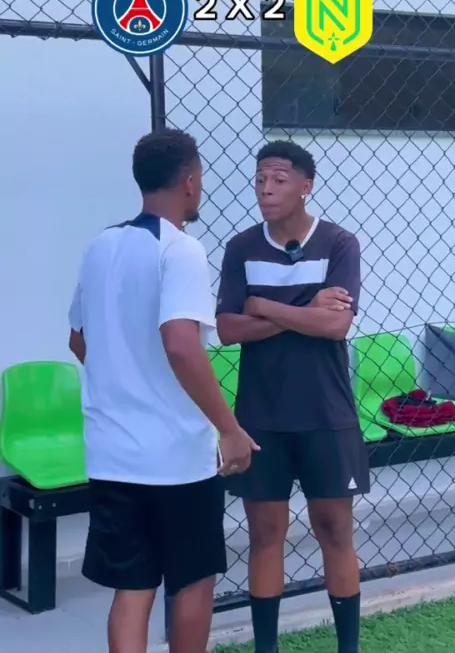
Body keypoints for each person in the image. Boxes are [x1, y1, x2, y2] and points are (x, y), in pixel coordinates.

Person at [68, 128, 258, 653]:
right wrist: (229, 428)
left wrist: (123, 379)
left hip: (111, 454)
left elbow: (78, 340)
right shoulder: (181, 249)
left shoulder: (100, 246)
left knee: (133, 589)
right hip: (176, 460)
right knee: (193, 581)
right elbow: (180, 343)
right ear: (190, 181)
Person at [216, 139, 370, 653]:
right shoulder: (241, 248)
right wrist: (305, 308)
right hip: (262, 416)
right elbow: (228, 329)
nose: (266, 189)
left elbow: (335, 326)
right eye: (260, 179)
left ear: (306, 186)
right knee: (265, 536)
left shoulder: (339, 243)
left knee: (335, 531)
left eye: (279, 180)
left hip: (326, 413)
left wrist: (263, 305)